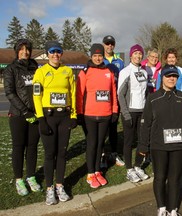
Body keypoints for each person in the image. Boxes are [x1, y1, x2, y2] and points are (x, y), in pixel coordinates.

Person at [139, 64, 182, 216]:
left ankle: (172, 210)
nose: (172, 79)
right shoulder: (153, 98)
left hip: (179, 146)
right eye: (168, 76)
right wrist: (143, 146)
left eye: (174, 76)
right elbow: (146, 124)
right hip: (159, 146)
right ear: (162, 78)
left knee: (174, 179)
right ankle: (161, 208)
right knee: (160, 177)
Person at [32, 41, 77, 205]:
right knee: (50, 154)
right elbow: (36, 96)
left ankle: (60, 185)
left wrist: (73, 115)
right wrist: (41, 119)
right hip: (48, 117)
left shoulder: (67, 71)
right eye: (52, 52)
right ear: (47, 54)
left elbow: (72, 93)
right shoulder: (41, 72)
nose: (55, 54)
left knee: (62, 153)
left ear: (61, 54)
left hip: (64, 117)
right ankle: (50, 189)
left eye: (58, 51)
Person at [76, 43, 118, 189]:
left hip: (105, 114)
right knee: (92, 144)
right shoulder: (85, 72)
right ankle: (90, 173)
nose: (98, 58)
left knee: (100, 144)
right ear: (91, 56)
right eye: (95, 55)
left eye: (100, 55)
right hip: (90, 115)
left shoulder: (109, 71)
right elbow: (79, 94)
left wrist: (114, 110)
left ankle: (97, 170)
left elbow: (113, 92)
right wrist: (79, 113)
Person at [3, 39, 41, 196]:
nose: (25, 52)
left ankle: (31, 177)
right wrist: (25, 111)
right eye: (22, 49)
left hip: (35, 114)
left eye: (27, 49)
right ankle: (19, 179)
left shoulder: (35, 68)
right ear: (17, 51)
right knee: (19, 147)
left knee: (32, 147)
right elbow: (10, 93)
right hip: (19, 115)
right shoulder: (11, 69)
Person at [117, 44, 149, 183]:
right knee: (129, 141)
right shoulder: (125, 71)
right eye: (135, 54)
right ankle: (129, 169)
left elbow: (145, 93)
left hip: (142, 111)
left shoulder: (144, 72)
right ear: (131, 56)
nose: (138, 56)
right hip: (130, 112)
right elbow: (120, 95)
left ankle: (137, 166)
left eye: (140, 54)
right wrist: (125, 113)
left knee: (142, 140)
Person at [102, 35, 125, 167]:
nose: (109, 46)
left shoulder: (119, 61)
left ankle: (114, 154)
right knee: (103, 129)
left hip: (115, 100)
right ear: (103, 44)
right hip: (103, 100)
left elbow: (122, 80)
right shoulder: (99, 59)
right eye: (107, 43)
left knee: (113, 127)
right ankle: (104, 155)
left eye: (112, 44)